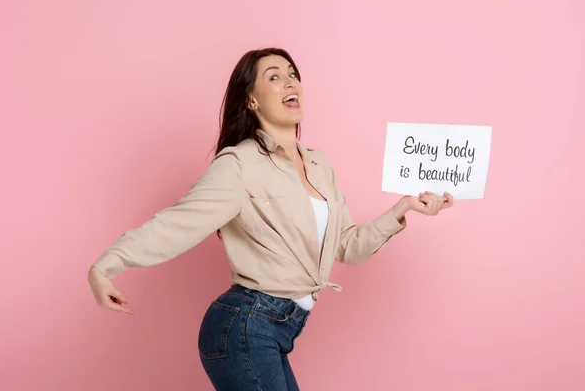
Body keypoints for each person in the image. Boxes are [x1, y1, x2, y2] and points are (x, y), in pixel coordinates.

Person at [87, 47, 454, 390]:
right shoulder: (239, 164)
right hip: (245, 325)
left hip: (278, 328)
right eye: (275, 77)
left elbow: (346, 246)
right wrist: (106, 266)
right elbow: (177, 224)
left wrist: (403, 209)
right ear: (251, 99)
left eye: (293, 74)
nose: (290, 82)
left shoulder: (319, 165)